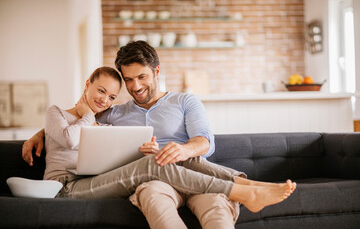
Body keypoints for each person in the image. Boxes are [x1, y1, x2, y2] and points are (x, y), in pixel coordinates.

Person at [23, 41, 296, 229]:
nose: (136, 86)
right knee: (155, 182)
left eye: (141, 77)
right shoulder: (115, 112)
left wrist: (184, 149)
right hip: (154, 180)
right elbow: (78, 118)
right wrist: (43, 134)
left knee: (214, 206)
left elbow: (205, 142)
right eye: (128, 80)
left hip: (194, 171)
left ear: (156, 72)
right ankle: (247, 187)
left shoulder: (185, 101)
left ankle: (248, 190)